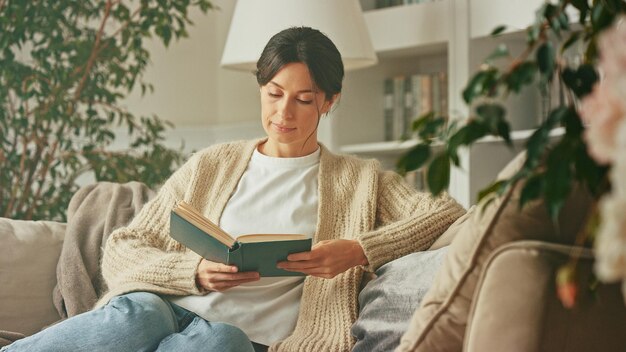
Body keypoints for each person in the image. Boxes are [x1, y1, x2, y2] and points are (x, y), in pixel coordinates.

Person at [1, 26, 465, 352]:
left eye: (304, 99)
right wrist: (194, 272)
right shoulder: (213, 163)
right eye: (273, 93)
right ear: (260, 87)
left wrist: (358, 249)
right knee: (141, 314)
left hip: (240, 338)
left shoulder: (361, 180)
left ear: (329, 100)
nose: (285, 112)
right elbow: (125, 246)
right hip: (167, 307)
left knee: (225, 341)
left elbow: (447, 214)